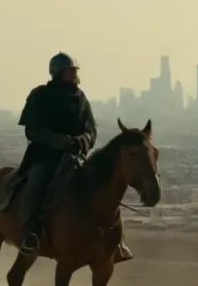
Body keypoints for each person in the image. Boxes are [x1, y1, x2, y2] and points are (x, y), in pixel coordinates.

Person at [15, 52, 133, 262]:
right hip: (44, 157)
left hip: (75, 157)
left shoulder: (80, 98)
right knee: (36, 184)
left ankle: (116, 241)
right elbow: (31, 131)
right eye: (69, 71)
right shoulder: (40, 96)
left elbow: (91, 129)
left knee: (103, 188)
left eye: (74, 71)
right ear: (57, 73)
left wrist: (84, 140)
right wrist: (59, 141)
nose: (73, 75)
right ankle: (30, 234)